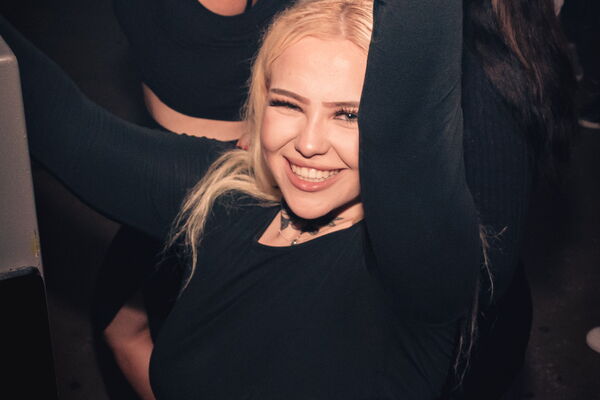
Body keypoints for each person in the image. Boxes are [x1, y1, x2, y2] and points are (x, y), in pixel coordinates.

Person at [1, 0, 482, 398]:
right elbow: (68, 128)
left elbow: (419, 75)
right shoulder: (226, 194)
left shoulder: (419, 263)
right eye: (288, 103)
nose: (308, 143)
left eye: (349, 114)